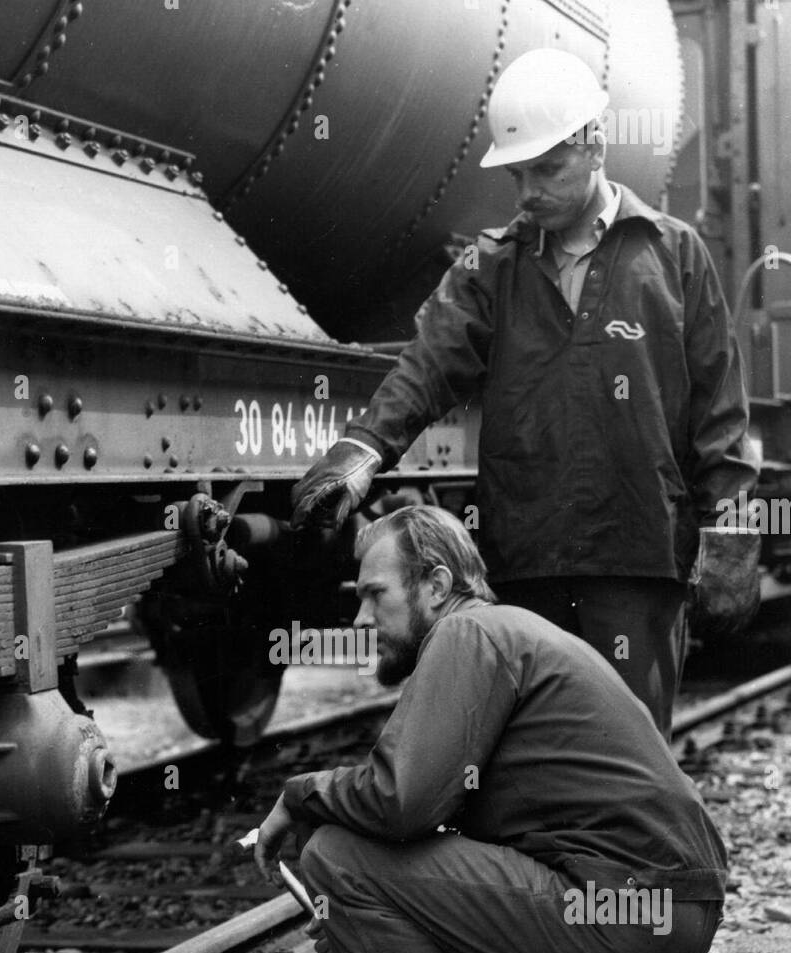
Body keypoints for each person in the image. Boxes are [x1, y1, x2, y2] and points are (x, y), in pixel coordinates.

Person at [291, 48, 760, 740]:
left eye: (548, 169)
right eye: (520, 175)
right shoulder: (493, 266)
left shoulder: (674, 256)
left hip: (637, 559)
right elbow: (427, 368)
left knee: (630, 766)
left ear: (596, 144)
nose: (530, 191)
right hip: (526, 564)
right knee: (534, 763)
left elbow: (719, 412)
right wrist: (360, 453)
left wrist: (730, 529)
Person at [253, 506, 741, 953]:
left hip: (620, 909)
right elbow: (445, 826)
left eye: (375, 595)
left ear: (434, 582)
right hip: (668, 907)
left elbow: (403, 802)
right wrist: (366, 928)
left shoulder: (468, 638)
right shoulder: (508, 633)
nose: (361, 621)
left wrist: (302, 795)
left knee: (337, 858)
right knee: (390, 902)